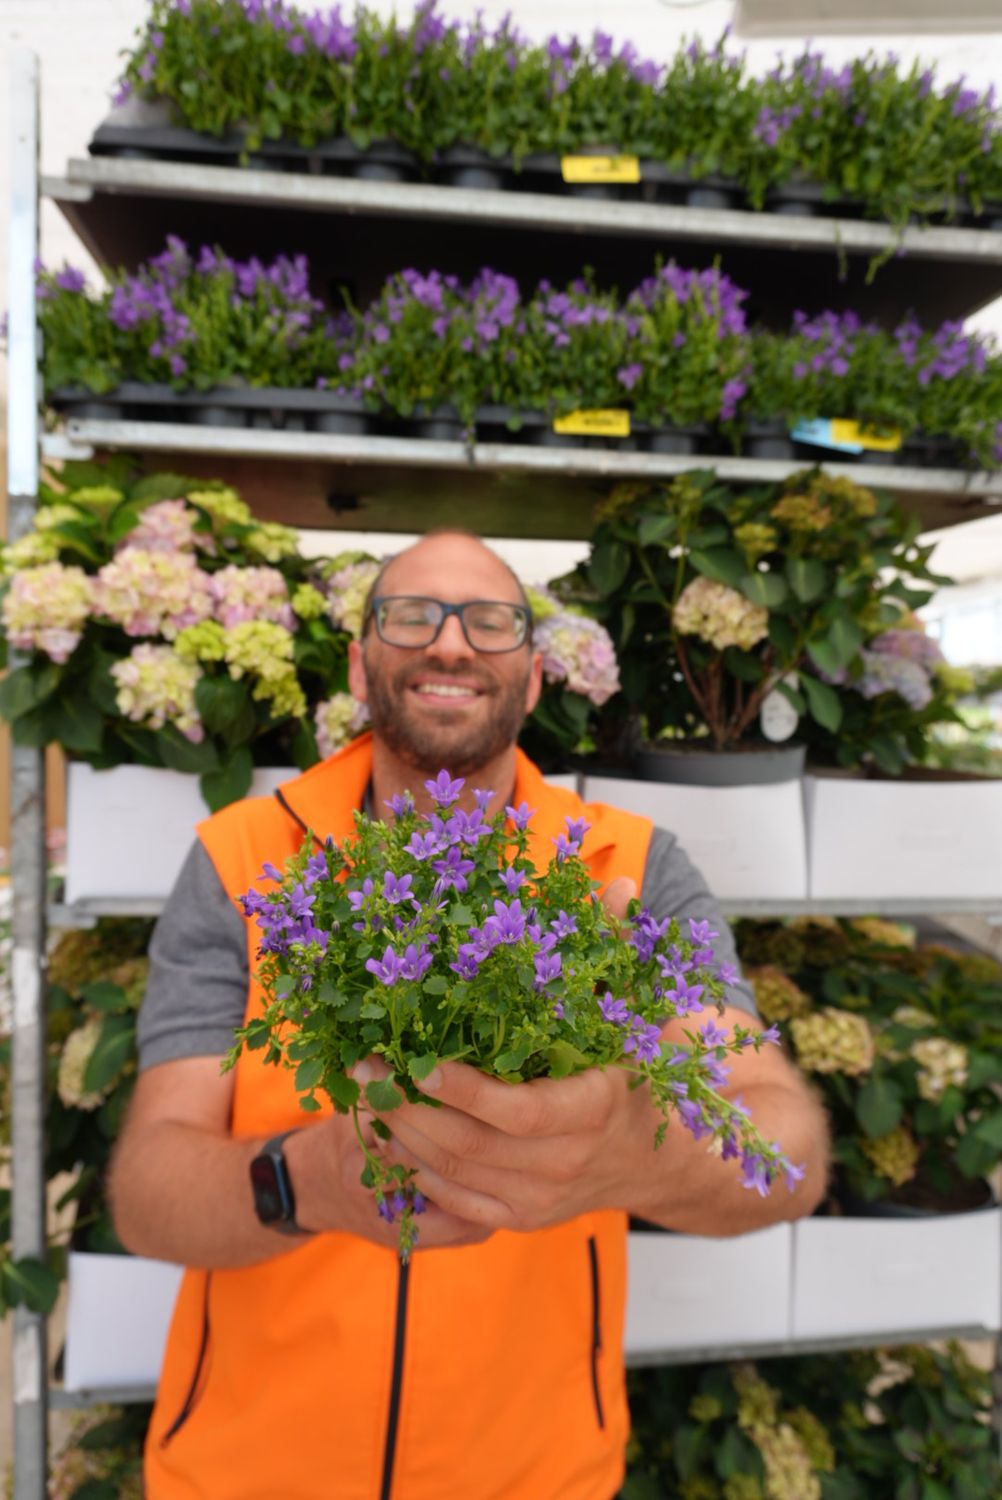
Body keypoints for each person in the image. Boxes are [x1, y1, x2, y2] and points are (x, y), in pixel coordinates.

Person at [110, 529, 829, 1500]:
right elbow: (151, 1189)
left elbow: (778, 1139)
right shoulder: (247, 861)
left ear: (533, 678)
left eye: (490, 622)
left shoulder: (624, 872)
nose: (450, 644)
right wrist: (307, 1180)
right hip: (249, 1472)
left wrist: (624, 1152)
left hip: (531, 1475)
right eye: (411, 615)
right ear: (361, 664)